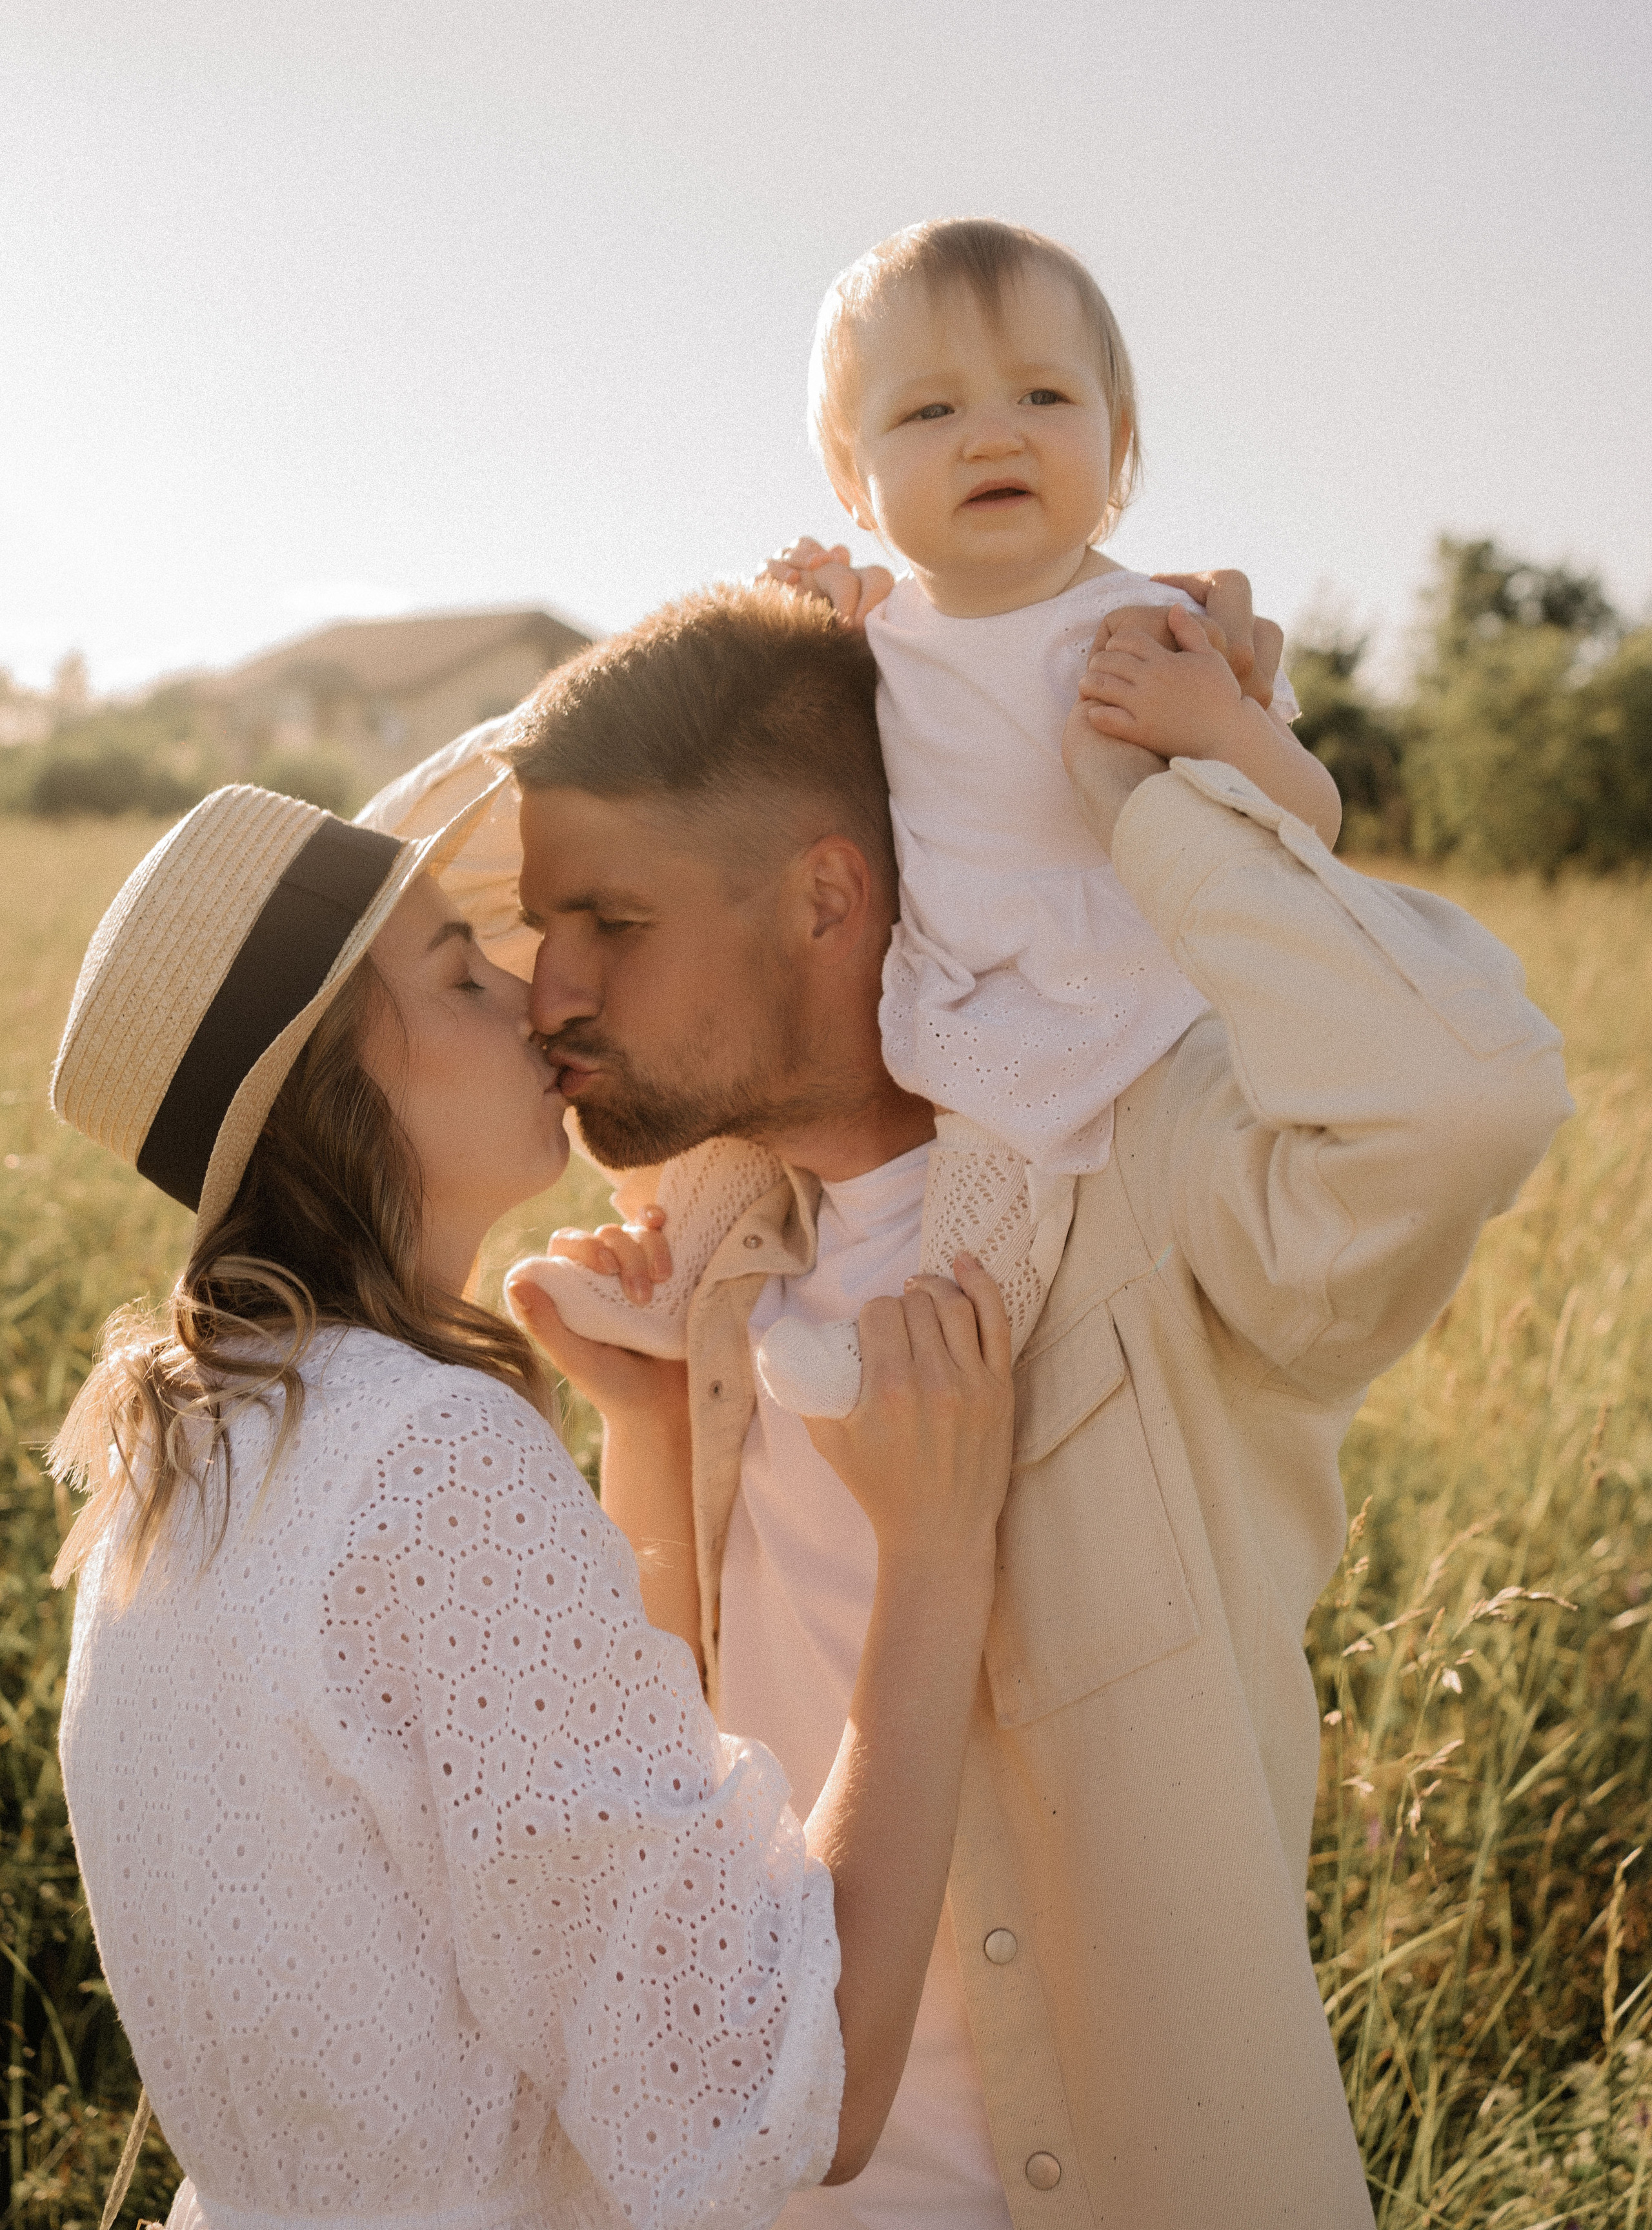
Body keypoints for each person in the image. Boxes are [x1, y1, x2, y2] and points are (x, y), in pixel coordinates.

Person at [410, 577, 1568, 2230]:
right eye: (542, 931)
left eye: (614, 922)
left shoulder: (1148, 1182)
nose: (550, 989)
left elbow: (1465, 1100)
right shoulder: (726, 1247)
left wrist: (1165, 804)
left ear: (826, 898)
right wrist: (648, 1429)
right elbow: (686, 1762)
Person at [46, 777, 1022, 2230]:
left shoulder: (188, 1454)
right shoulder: (424, 1455)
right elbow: (779, 2084)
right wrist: (935, 1558)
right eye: (455, 970)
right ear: (335, 1082)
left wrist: (640, 1432)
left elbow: (560, 1841)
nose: (528, 999)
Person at [527, 219, 1345, 1417]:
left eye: (1044, 395)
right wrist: (792, 606)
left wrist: (1219, 723)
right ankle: (677, 1286)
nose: (995, 434)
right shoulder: (887, 633)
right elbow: (771, 748)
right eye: (930, 414)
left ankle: (904, 1363)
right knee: (737, 1131)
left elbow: (1312, 821)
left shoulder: (1154, 628)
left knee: (996, 1192)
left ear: (1118, 446)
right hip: (933, 966)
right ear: (855, 482)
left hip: (1080, 992)